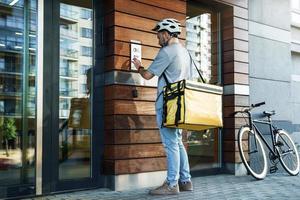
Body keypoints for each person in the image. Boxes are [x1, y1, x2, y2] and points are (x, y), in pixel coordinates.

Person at [132, 18, 193, 195]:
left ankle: (172, 184)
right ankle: (186, 181)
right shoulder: (185, 52)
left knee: (171, 144)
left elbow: (148, 75)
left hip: (166, 104)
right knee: (178, 143)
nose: (157, 39)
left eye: (159, 35)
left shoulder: (167, 51)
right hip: (180, 103)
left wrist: (138, 66)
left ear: (166, 34)